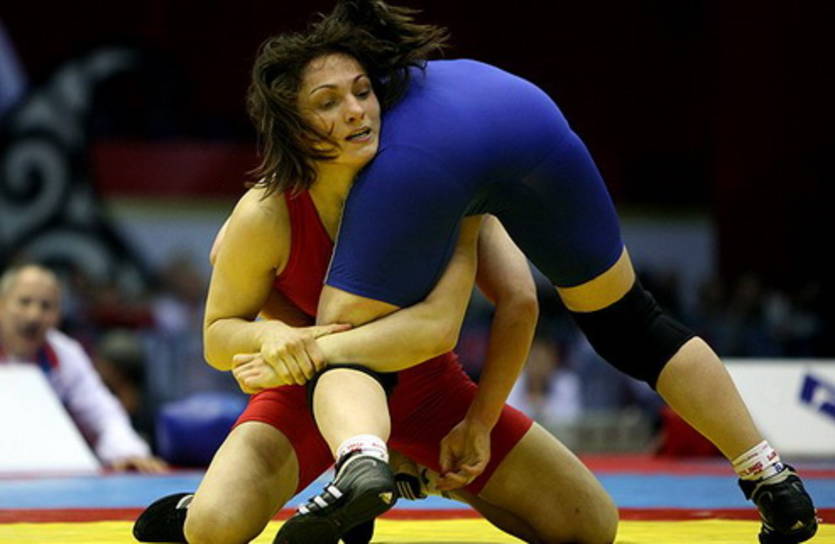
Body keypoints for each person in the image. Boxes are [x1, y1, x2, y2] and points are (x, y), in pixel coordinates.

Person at [238, 2, 817, 544]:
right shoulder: (435, 82)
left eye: (357, 93)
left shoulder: (383, 148)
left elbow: (412, 330)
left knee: (346, 343)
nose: (353, 109)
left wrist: (295, 345)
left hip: (432, 164)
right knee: (632, 324)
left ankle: (363, 465)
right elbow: (520, 300)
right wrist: (480, 421)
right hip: (535, 123)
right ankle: (767, 473)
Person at [133, 29, 618, 544]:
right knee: (212, 530)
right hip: (304, 394)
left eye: (363, 92)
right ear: (294, 127)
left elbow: (468, 318)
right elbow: (216, 336)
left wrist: (479, 422)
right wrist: (267, 335)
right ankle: (310, 479)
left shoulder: (437, 185)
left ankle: (390, 469)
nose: (355, 112)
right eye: (328, 102)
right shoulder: (268, 212)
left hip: (428, 391)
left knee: (590, 526)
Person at [0, 264, 167, 473]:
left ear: (58, 315)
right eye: (24, 302)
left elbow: (103, 414)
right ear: (2, 305)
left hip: (48, 473)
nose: (34, 316)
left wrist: (128, 452)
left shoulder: (66, 355)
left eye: (46, 306)